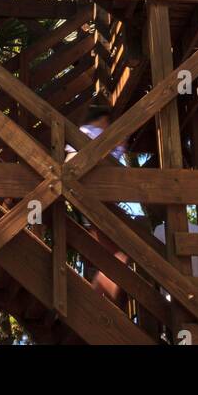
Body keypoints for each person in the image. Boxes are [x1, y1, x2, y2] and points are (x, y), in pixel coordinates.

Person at [65, 103, 130, 303]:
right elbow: (110, 157)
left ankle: (93, 298)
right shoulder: (94, 133)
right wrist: (120, 141)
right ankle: (94, 299)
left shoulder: (84, 132)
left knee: (112, 255)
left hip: (83, 199)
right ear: (102, 119)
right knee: (120, 253)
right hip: (94, 199)